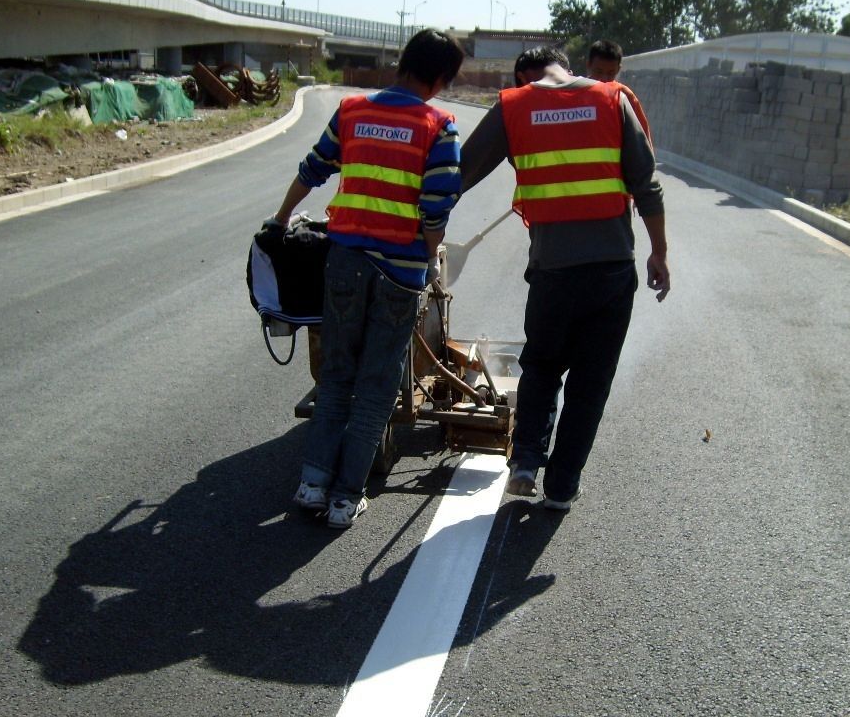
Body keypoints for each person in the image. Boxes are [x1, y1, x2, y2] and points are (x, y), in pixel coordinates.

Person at [267, 28, 464, 528]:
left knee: (336, 378)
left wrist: (282, 218)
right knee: (376, 386)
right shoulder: (438, 125)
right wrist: (428, 259)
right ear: (440, 79)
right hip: (399, 273)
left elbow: (314, 169)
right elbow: (435, 208)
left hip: (346, 263)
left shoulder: (353, 111)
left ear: (402, 63)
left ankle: (312, 484)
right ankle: (344, 499)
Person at [459, 46, 670, 510]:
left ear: (522, 79)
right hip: (612, 270)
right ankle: (562, 485)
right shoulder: (613, 99)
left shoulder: (514, 106)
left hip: (553, 273)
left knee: (542, 365)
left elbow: (459, 173)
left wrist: (419, 225)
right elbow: (646, 184)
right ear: (568, 68)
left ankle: (527, 462)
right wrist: (659, 252)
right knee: (591, 382)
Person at [586, 38, 652, 147]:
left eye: (611, 73)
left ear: (618, 69)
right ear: (588, 65)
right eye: (599, 72)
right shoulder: (575, 94)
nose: (604, 79)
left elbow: (643, 137)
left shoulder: (625, 96)